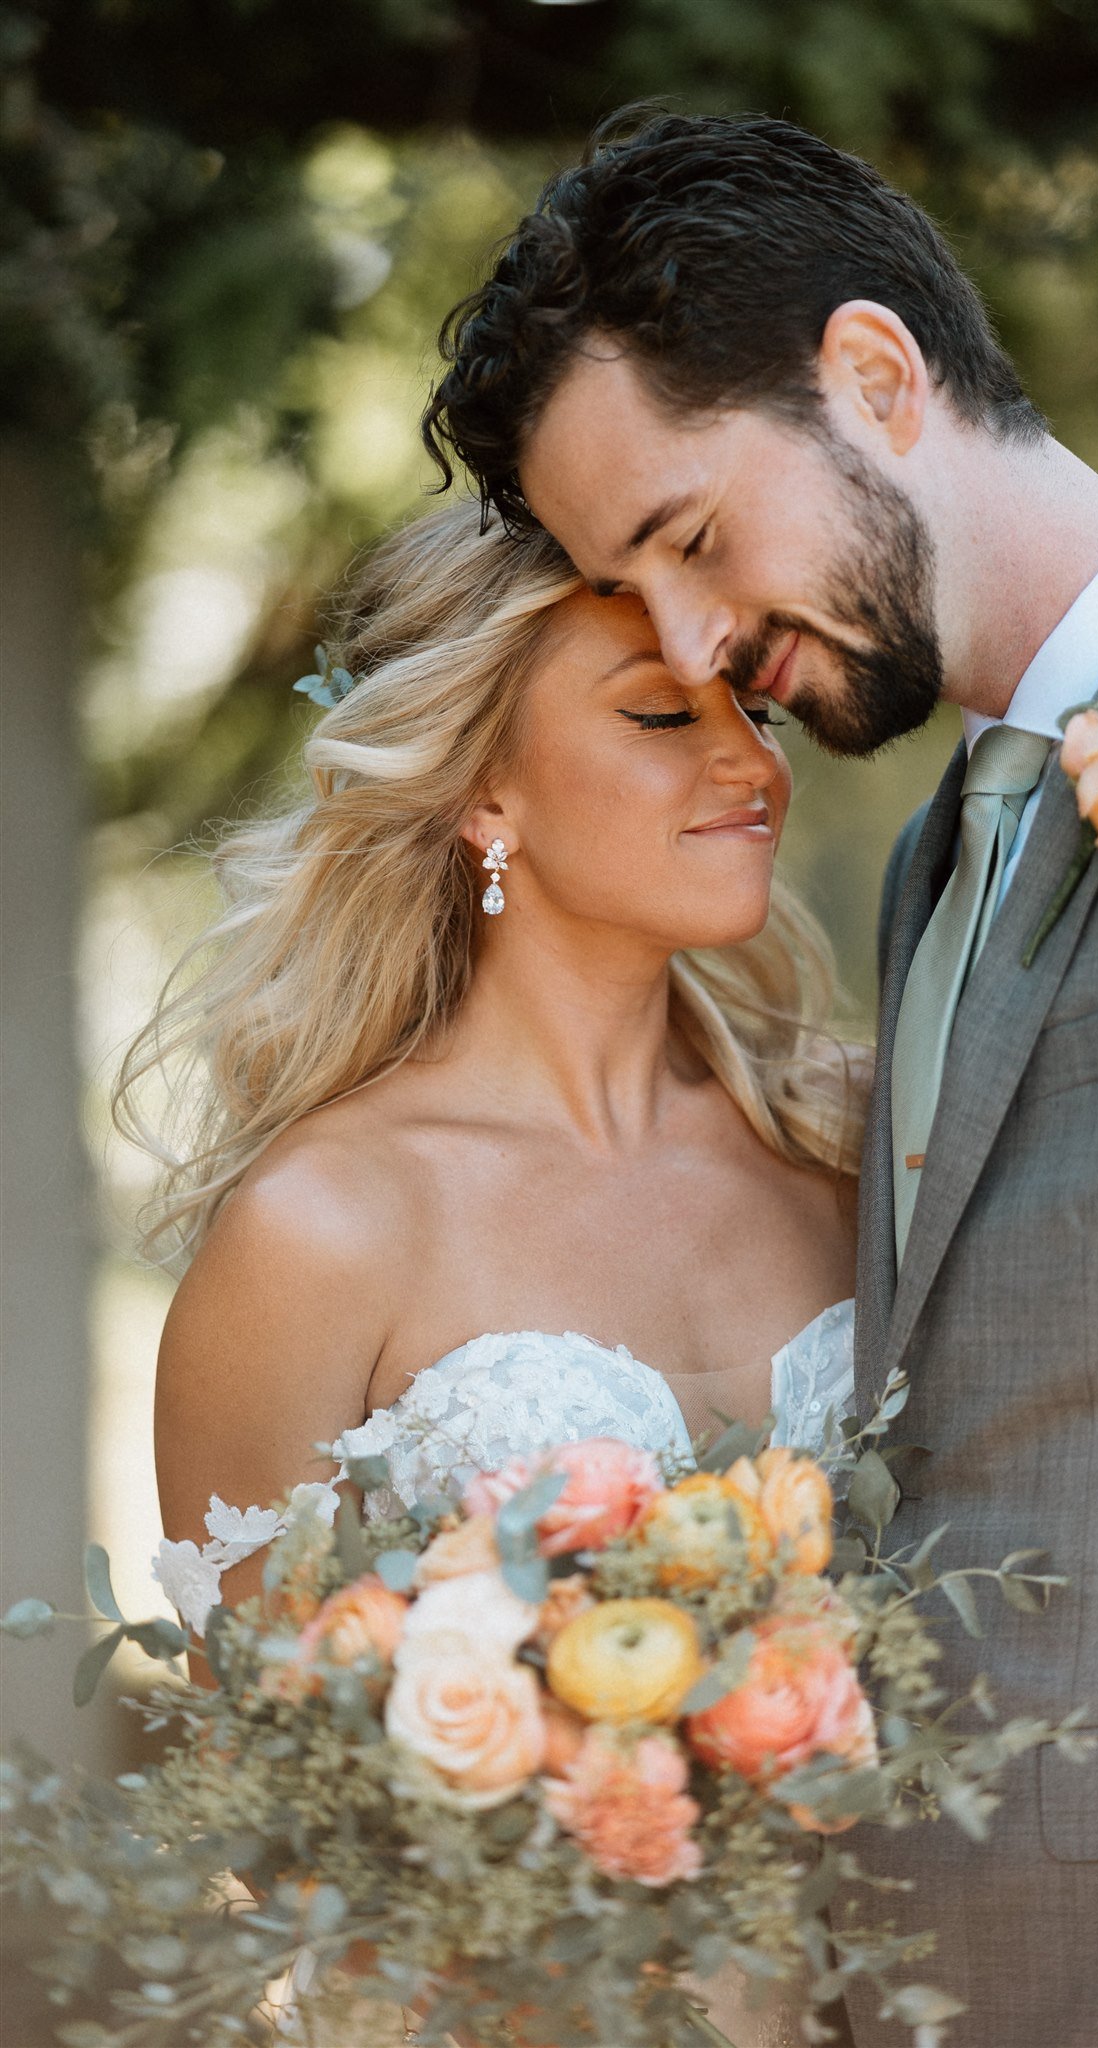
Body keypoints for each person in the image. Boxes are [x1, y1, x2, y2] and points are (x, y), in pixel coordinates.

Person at [421, 107, 1098, 2048]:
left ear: (872, 376)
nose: (692, 641)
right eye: (633, 588)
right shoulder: (944, 847)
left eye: (689, 539)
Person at [117, 495, 865, 2048]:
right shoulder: (327, 1228)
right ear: (481, 792)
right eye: (660, 713)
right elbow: (281, 1824)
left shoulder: (850, 1152)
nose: (746, 763)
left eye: (749, 703)